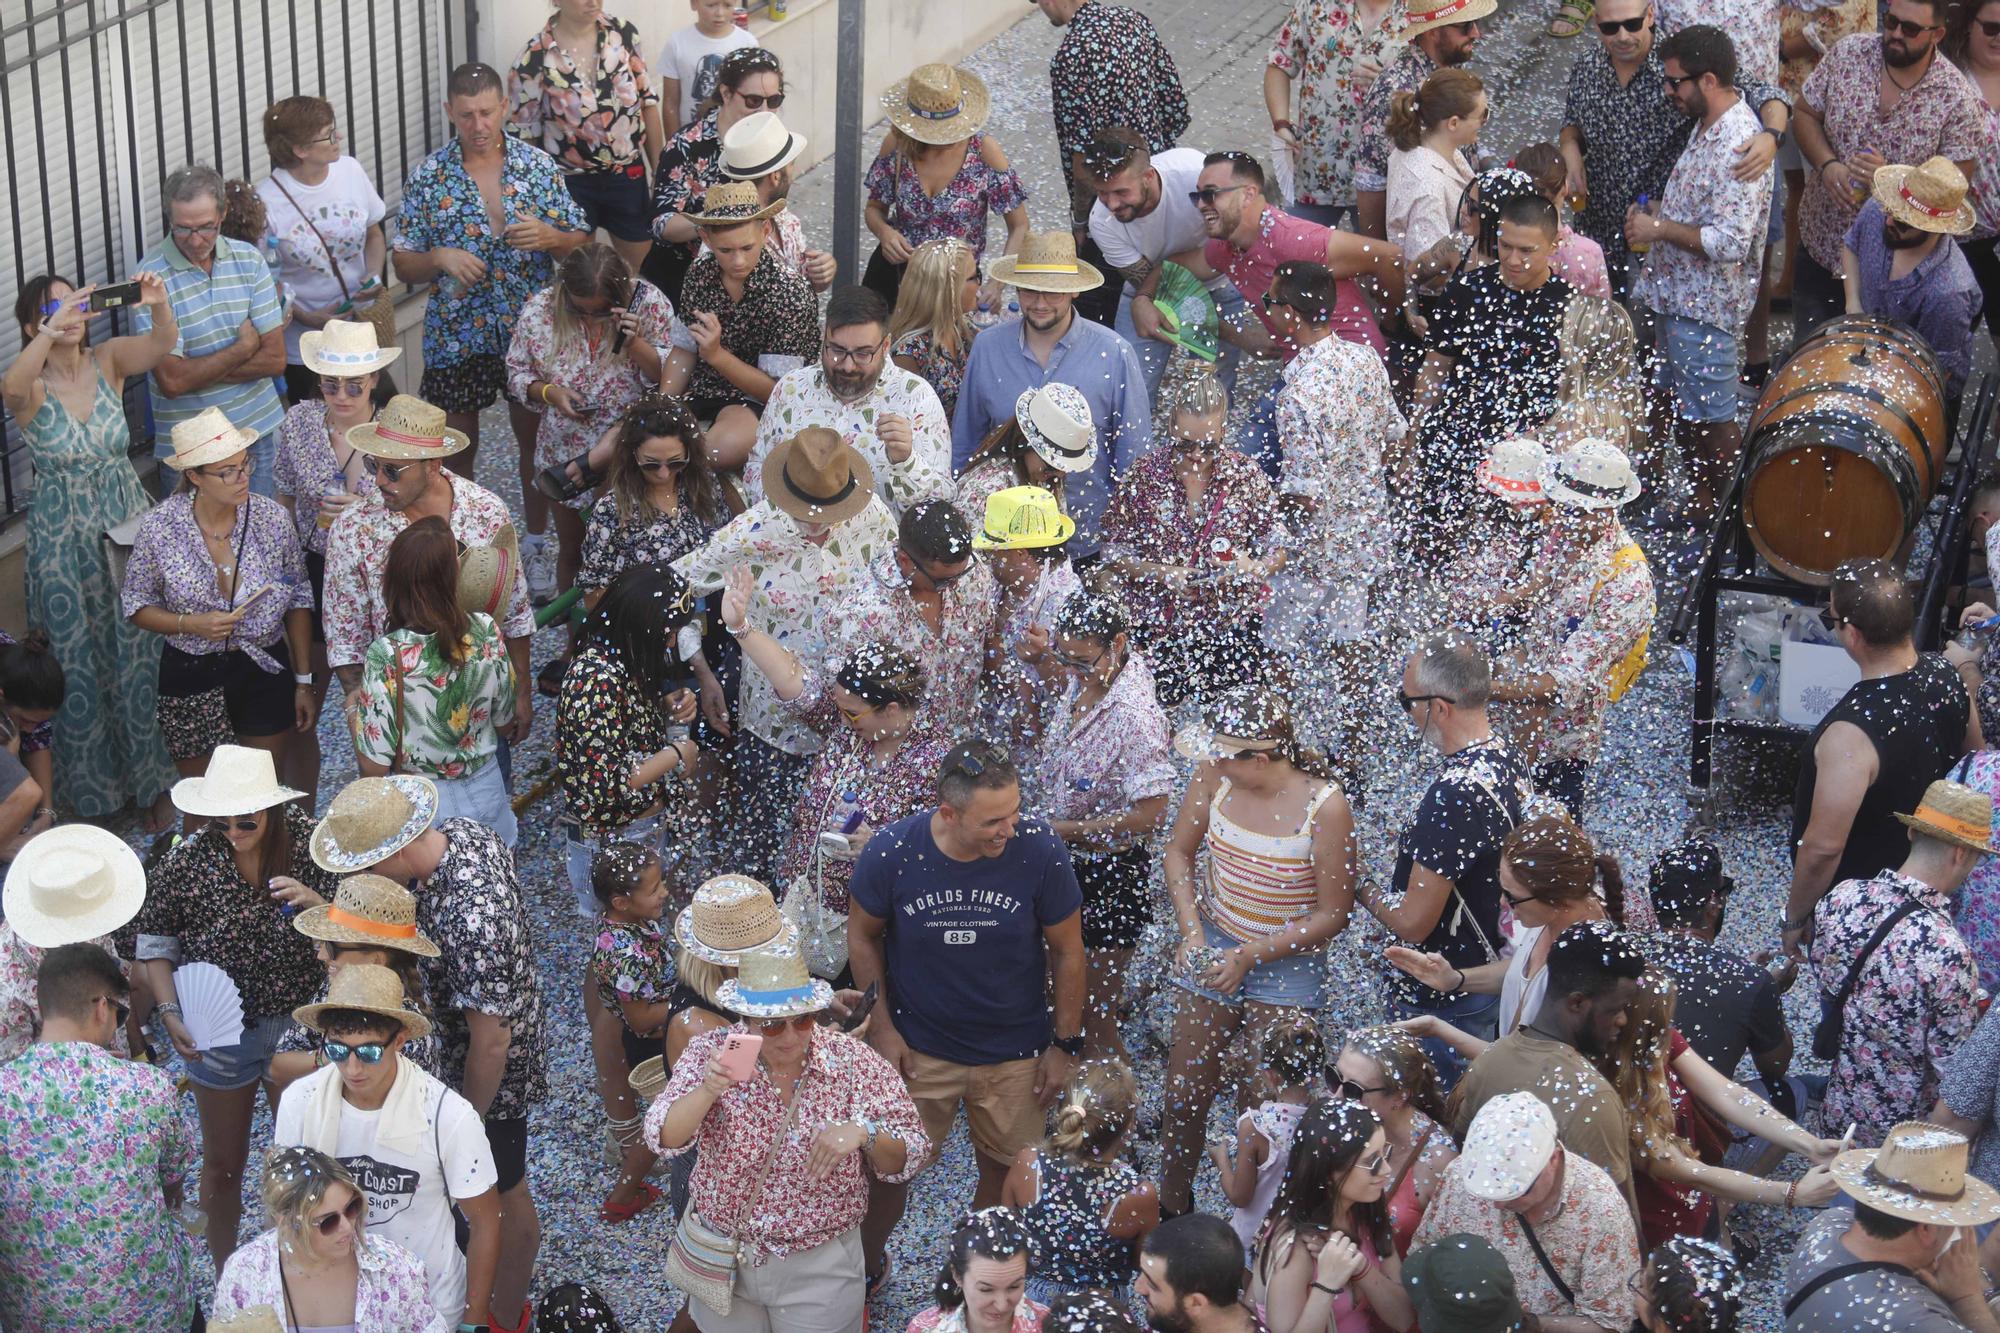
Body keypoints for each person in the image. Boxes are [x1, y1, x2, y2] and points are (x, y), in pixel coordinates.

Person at [310, 775, 547, 1333]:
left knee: (502, 1195)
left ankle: (504, 1315)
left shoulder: (473, 915)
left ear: (395, 850)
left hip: (491, 1078)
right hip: (464, 1049)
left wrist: (462, 1123)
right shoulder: (465, 833)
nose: (357, 879)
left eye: (362, 868)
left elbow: (491, 1042)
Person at [848, 740, 1086, 1285]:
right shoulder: (891, 851)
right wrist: (882, 1030)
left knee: (1005, 1172)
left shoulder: (1039, 848)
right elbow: (861, 938)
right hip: (918, 1049)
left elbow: (1069, 950)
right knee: (888, 1171)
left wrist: (1065, 1044)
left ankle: (971, 1280)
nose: (1011, 828)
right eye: (994, 821)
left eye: (1015, 812)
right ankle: (863, 1270)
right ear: (948, 813)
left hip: (1016, 1051)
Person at [649, 942, 928, 1333]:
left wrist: (865, 1132)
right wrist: (708, 1090)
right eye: (773, 1024)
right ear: (744, 1018)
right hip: (727, 1257)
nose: (791, 1037)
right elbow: (662, 1135)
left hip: (820, 1264)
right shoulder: (714, 1053)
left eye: (803, 1020)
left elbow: (912, 1151)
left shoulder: (850, 1061)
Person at [1157, 684, 1357, 1215]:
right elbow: (1177, 851)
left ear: (1262, 759)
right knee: (1182, 1095)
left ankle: (1254, 1228)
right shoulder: (1212, 776)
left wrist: (1251, 956)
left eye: (1224, 755)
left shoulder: (1326, 807)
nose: (1213, 762)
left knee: (1264, 1106)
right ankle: (1170, 1213)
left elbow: (1333, 914)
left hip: (1287, 965)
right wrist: (1192, 933)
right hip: (1217, 937)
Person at [134, 744, 331, 1266]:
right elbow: (155, 941)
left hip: (295, 1023)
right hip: (219, 1032)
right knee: (221, 1165)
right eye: (221, 822)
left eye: (244, 821)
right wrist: (170, 1012)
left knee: (302, 1163)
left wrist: (317, 904)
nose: (232, 832)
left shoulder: (312, 845)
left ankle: (301, 1271)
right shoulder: (189, 858)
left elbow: (355, 928)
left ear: (272, 809)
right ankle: (227, 1279)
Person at [674, 428, 899, 879]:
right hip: (773, 728)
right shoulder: (750, 532)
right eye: (807, 514)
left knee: (840, 858)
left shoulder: (873, 517)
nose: (818, 524)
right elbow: (672, 598)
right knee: (762, 852)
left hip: (851, 727)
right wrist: (701, 672)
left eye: (830, 512)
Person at [2, 273, 178, 821]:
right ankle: (95, 798)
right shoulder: (32, 388)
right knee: (76, 664)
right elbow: (10, 387)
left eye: (77, 299)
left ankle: (154, 788)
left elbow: (161, 344)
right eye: (55, 307)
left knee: (139, 657)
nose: (73, 311)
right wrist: (50, 332)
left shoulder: (108, 360)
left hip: (125, 530)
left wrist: (159, 303)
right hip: (63, 545)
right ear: (33, 323)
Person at [393, 59, 590, 526]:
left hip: (530, 330)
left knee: (535, 442)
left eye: (486, 112)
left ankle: (538, 544)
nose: (478, 125)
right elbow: (402, 261)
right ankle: (470, 546)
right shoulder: (429, 178)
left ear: (504, 107)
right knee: (454, 451)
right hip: (457, 334)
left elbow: (580, 241)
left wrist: (551, 238)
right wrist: (439, 258)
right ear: (449, 112)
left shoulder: (537, 166)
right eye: (466, 115)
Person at [721, 572, 952, 953]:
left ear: (892, 709)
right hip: (802, 902)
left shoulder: (935, 761)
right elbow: (792, 678)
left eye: (853, 713)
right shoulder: (847, 727)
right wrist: (741, 627)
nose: (842, 719)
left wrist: (882, 844)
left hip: (869, 926)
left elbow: (946, 845)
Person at [272, 966, 500, 1328]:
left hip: (426, 1306)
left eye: (368, 1052)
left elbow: (486, 1220)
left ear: (400, 1040)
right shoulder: (301, 1101)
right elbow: (284, 1209)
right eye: (336, 1050)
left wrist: (474, 1321)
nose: (351, 1067)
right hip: (333, 1304)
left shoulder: (448, 1117)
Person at [1783, 558, 1976, 962]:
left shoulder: (1850, 735)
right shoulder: (1946, 673)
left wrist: (1795, 917)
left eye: (1830, 617)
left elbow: (1822, 848)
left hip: (1863, 908)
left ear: (1852, 634)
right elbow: (1973, 762)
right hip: (1928, 881)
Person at [0, 941, 195, 1332]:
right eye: (121, 1015)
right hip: (151, 1311)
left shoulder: (5, 1094)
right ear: (102, 1007)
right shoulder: (148, 1087)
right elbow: (172, 1184)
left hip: (38, 1317)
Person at [323, 393, 536, 749]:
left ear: (433, 465)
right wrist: (364, 724)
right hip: (399, 724)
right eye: (374, 464)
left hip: (482, 714)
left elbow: (514, 613)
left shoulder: (486, 511)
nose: (376, 481)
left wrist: (522, 692)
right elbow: (346, 639)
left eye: (391, 470)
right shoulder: (353, 529)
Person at [120, 407, 314, 792]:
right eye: (228, 471)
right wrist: (189, 624)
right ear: (194, 476)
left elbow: (298, 597)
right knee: (203, 797)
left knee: (263, 793)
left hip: (263, 666)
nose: (243, 478)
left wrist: (304, 680)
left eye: (245, 464)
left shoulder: (272, 520)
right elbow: (136, 604)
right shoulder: (160, 528)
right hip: (189, 671)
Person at [1365, 639, 1533, 1086]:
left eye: (1408, 702)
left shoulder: (1455, 793)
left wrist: (1357, 880)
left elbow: (1414, 923)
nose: (1408, 714)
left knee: (1434, 1118)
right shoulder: (1507, 754)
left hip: (1439, 992)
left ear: (1439, 707)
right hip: (1484, 972)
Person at [1625, 26, 1775, 522]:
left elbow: (1730, 242)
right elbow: (1705, 211)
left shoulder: (1739, 143)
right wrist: (1657, 217)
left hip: (1706, 307)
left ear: (1708, 80)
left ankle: (1742, 517)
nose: (1668, 92)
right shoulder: (1707, 123)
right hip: (1676, 298)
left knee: (1713, 418)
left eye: (1675, 83)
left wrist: (1660, 227)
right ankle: (1703, 504)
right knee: (1687, 412)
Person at [1017, 588, 1173, 1060]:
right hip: (1064, 861)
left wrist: (1069, 830)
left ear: (1119, 643)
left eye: (1082, 662)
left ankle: (1111, 1118)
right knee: (1053, 995)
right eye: (1065, 658)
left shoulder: (1136, 718)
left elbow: (1153, 814)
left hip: (1111, 873)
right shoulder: (1089, 674)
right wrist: (1047, 662)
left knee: (1095, 1014)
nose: (1072, 673)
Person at [1260, 260, 1407, 760]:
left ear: (1291, 316)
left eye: (1270, 303)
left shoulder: (1297, 393)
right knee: (1351, 639)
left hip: (1317, 543)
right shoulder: (1365, 360)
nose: (1267, 311)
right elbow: (1394, 435)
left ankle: (1276, 741)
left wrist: (1272, 530)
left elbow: (1304, 490)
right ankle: (1356, 746)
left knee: (1277, 638)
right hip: (1363, 529)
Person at [507, 241, 692, 637]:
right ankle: (575, 649)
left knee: (620, 553)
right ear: (562, 293)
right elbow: (517, 372)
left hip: (627, 447)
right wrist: (550, 393)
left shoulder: (652, 304)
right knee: (573, 550)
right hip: (564, 445)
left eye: (600, 311)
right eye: (578, 309)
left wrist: (636, 343)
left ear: (621, 295)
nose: (590, 320)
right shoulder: (540, 309)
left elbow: (671, 379)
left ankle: (620, 647)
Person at [1583, 966, 1840, 1249]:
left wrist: (1810, 1145)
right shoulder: (1609, 1094)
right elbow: (1689, 1172)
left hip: (1695, 1208)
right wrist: (1793, 1193)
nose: (1670, 1027)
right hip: (1660, 1236)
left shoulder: (1657, 1040)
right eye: (1661, 1021)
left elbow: (1726, 1093)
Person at [1191, 151, 1400, 476]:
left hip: (1347, 372)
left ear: (1248, 194)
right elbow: (1175, 269)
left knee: (1256, 474)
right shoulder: (1222, 249)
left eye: (1210, 194)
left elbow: (1388, 257)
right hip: (1300, 374)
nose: (1201, 203)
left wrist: (1392, 324)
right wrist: (1145, 295)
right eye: (1197, 195)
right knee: (1249, 473)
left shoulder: (1294, 239)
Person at [1791, 0, 1985, 345]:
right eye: (1891, 21)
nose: (1895, 34)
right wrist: (1827, 164)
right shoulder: (1848, 53)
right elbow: (1805, 113)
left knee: (1877, 386)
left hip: (1895, 274)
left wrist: (1892, 183)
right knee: (1812, 366)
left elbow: (1954, 188)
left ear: (1937, 34)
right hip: (1822, 244)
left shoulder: (1957, 99)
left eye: (1909, 29)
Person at [950, 230, 1152, 559]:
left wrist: (1126, 548)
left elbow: (1134, 462)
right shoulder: (987, 347)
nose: (1040, 303)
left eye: (1052, 293)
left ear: (1074, 292)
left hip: (1088, 539)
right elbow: (965, 448)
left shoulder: (1115, 353)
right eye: (1030, 290)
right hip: (1005, 545)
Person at [1812, 778, 1988, 1145]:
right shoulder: (1947, 952)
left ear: (1912, 834)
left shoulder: (1842, 898)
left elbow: (1828, 985)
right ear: (1960, 854)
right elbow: (1952, 1072)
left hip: (1840, 1111)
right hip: (1900, 1138)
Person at [1488, 443, 1656, 818]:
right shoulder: (1563, 530)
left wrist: (1483, 690)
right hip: (1511, 727)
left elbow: (1563, 683)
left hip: (1558, 746)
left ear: (1610, 509)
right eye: (1562, 506)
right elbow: (1539, 607)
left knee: (1545, 859)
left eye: (1580, 512)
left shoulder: (1626, 581)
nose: (1566, 520)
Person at [1100, 375, 1286, 708]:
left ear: (1225, 432)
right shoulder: (1144, 475)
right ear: (1170, 426)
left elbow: (1279, 548)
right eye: (1185, 444)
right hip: (1159, 629)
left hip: (1230, 628)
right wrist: (1162, 572)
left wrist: (1252, 567)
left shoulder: (1245, 476)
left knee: (1225, 732)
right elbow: (1113, 552)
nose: (1197, 455)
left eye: (1210, 445)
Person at [1402, 192, 1572, 550]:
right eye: (1505, 246)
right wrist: (1414, 439)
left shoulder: (1568, 305)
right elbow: (1435, 367)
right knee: (1440, 551)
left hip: (1525, 457)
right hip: (1456, 442)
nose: (1513, 259)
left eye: (1527, 251)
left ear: (1553, 245)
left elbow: (1571, 390)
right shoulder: (1467, 290)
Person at [272, 318, 394, 796]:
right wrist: (285, 570)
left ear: (373, 383)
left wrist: (364, 510)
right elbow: (283, 495)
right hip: (314, 567)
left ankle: (381, 807)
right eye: (330, 385)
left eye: (353, 386)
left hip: (376, 577)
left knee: (375, 705)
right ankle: (299, 818)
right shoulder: (299, 423)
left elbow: (420, 515)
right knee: (303, 705)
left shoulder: (393, 434)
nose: (341, 396)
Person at [1447, 921, 1645, 1214]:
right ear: (1577, 1002)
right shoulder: (1592, 1099)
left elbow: (1464, 1159)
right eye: (1615, 1010)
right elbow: (1616, 1223)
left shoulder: (1491, 1060)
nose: (1622, 1021)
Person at [1390, 814, 1624, 1049]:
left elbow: (1518, 1064)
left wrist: (1436, 1028)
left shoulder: (1583, 972)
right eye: (1500, 886)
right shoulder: (1554, 914)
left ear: (1557, 899)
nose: (1502, 902)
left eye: (1512, 896)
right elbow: (1521, 972)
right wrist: (1455, 979)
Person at [1413, 1092, 1642, 1331]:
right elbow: (1425, 1255)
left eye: (1517, 1191)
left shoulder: (1601, 1209)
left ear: (1552, 1159)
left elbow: (1609, 1323)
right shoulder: (1461, 1176)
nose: (1498, 1205)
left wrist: (1526, 1325)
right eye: (1488, 1193)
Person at [349, 517, 518, 841]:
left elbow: (374, 767)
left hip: (423, 807)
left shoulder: (387, 654)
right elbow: (505, 720)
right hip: (487, 790)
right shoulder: (484, 630)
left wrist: (351, 711)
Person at [555, 563, 705, 914]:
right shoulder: (593, 681)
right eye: (667, 633)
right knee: (618, 940)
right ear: (642, 625)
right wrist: (679, 751)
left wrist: (663, 706)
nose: (671, 642)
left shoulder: (622, 656)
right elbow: (610, 782)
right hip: (615, 839)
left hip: (640, 828)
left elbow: (620, 728)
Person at [134, 162, 287, 497]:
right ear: (169, 219)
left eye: (207, 227)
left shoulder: (248, 260)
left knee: (263, 543)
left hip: (257, 436)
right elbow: (172, 382)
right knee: (196, 548)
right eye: (183, 229)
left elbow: (275, 359)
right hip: (191, 453)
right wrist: (243, 349)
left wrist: (197, 371)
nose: (196, 240)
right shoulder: (150, 279)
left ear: (223, 214)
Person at [1038, 0, 1191, 330]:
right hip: (1156, 182)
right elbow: (1176, 107)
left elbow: (1081, 158)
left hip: (1111, 200)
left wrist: (1080, 220)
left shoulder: (1071, 56)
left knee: (1098, 300)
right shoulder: (1133, 20)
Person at [746, 286, 955, 515]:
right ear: (823, 336)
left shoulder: (916, 398)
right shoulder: (791, 389)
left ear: (885, 346)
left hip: (878, 547)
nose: (847, 365)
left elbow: (940, 505)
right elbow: (757, 468)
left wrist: (906, 461)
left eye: (863, 354)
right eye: (836, 350)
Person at [1783, 1121, 2000, 1332]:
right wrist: (1968, 1297)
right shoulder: (1918, 1320)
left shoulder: (1828, 1221)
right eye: (1953, 1223)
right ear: (1927, 1229)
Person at [212, 1145, 450, 1331]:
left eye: (352, 1208)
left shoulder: (395, 1269)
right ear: (284, 1220)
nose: (347, 1227)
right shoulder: (245, 1274)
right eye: (328, 1221)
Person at [1078, 126, 1241, 396]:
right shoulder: (1101, 221)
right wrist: (1242, 337)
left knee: (1211, 393)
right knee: (1130, 386)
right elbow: (1160, 288)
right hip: (1155, 288)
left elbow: (1238, 237)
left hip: (1219, 279)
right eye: (1102, 193)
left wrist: (1224, 335)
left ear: (1148, 176)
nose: (1112, 204)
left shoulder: (1194, 176)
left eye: (1121, 192)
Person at [505, 0, 663, 274]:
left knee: (647, 272)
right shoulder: (532, 59)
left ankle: (641, 317)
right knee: (584, 277)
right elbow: (524, 139)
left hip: (627, 174)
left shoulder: (623, 33)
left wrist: (660, 174)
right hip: (571, 184)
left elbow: (647, 103)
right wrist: (536, 199)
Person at [677, 180, 823, 471]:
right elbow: (682, 349)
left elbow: (777, 391)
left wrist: (717, 356)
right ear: (705, 239)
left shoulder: (789, 293)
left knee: (704, 456)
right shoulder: (699, 273)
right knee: (640, 435)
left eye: (747, 247)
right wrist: (665, 403)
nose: (738, 260)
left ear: (765, 230)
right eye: (725, 250)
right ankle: (581, 470)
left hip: (754, 399)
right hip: (702, 390)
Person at [257, 96, 392, 405]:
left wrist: (372, 275)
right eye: (329, 135)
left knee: (381, 419)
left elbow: (374, 233)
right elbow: (263, 283)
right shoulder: (267, 203)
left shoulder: (350, 170)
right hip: (306, 348)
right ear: (301, 150)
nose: (338, 139)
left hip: (359, 332)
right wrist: (306, 316)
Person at [824, 499, 996, 737]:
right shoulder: (863, 616)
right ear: (905, 561)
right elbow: (851, 704)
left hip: (966, 735)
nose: (956, 584)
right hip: (906, 756)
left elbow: (987, 640)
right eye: (942, 581)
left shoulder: (972, 576)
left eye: (962, 573)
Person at [862, 63, 1028, 307]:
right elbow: (874, 209)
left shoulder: (983, 151)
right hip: (897, 277)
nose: (948, 138)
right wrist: (885, 232)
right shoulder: (896, 146)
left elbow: (1020, 226)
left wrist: (997, 282)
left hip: (957, 285)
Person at [1641, 842, 1797, 1099]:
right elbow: (1775, 1067)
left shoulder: (1625, 956)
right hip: (1697, 1124)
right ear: (1713, 904)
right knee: (1794, 1092)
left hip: (1628, 1112)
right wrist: (1768, 990)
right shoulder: (1752, 981)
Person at [1247, 1099, 1414, 1333]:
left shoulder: (1368, 1209)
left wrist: (1359, 1267)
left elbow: (1404, 1319)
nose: (1386, 1170)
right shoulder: (1296, 1247)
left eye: (1385, 1153)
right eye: (1372, 1162)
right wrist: (1327, 1284)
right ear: (1328, 1172)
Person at [1003, 1059, 1159, 1304]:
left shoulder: (1029, 1163)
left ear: (1063, 1112)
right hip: (1103, 1309)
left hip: (1034, 1301)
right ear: (1128, 1128)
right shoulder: (1137, 1194)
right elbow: (1144, 1263)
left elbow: (1008, 1236)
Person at [273, 873, 442, 1090]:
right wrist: (328, 1056)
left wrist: (329, 1055)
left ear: (377, 959)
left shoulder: (404, 1025)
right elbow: (277, 1066)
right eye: (322, 943)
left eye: (332, 947)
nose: (321, 955)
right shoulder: (339, 984)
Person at [647, 44, 788, 303]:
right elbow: (662, 224)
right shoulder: (686, 145)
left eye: (774, 101)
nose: (765, 112)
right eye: (754, 101)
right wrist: (718, 218)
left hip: (749, 280)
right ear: (725, 93)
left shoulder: (774, 141)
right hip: (687, 281)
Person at [584, 843, 675, 1222]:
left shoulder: (623, 923)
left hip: (654, 1028)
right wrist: (688, 1003)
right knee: (663, 1121)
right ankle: (623, 1193)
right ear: (621, 902)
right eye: (654, 890)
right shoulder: (624, 955)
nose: (665, 893)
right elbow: (640, 1021)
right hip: (650, 1043)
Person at [1840, 156, 1982, 396]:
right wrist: (1852, 302)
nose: (1888, 221)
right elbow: (1851, 246)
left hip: (1919, 384)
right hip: (1867, 351)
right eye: (1890, 211)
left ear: (1934, 229)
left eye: (1903, 222)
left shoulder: (1949, 292)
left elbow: (1935, 374)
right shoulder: (1879, 210)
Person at [1353, 0, 1492, 240]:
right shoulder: (1394, 90)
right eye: (1465, 26)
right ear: (1433, 31)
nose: (1476, 33)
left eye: (1476, 23)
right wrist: (1377, 264)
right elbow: (1371, 183)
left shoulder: (1451, 68)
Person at [1266, 0, 1405, 230]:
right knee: (1297, 255)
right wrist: (1281, 124)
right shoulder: (1317, 5)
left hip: (1386, 175)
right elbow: (1279, 64)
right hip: (1318, 168)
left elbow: (1441, 89)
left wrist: (1396, 88)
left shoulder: (1420, 11)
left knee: (1377, 262)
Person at [577, 394, 726, 606]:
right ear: (633, 456)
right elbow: (593, 596)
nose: (664, 474)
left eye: (676, 463)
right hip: (647, 629)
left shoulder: (705, 486)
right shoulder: (611, 510)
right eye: (651, 464)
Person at [1336, 1026, 1459, 1256]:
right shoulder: (1343, 1124)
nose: (1336, 1097)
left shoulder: (1437, 1162)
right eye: (1334, 1077)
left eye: (1353, 1090)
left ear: (1400, 1095)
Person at [977, 485, 1085, 741]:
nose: (988, 559)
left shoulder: (1067, 603)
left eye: (993, 552)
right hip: (996, 727)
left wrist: (1043, 658)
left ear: (1020, 553)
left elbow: (1076, 693)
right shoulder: (1004, 582)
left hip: (1040, 743)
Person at [1211, 1023, 1322, 1261]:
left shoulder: (1255, 1126)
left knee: (1250, 1296)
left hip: (1253, 1239)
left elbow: (1240, 1196)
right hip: (1297, 1243)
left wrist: (1221, 1160)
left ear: (1270, 1074)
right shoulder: (1324, 1120)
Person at [953, 382, 1098, 532]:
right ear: (1025, 442)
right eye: (1053, 465)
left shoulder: (1043, 478)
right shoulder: (985, 492)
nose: (1060, 474)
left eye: (1065, 468)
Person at [714, 111, 835, 290]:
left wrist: (822, 274)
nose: (793, 174)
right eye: (791, 165)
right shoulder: (726, 237)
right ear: (776, 177)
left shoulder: (786, 220)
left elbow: (805, 288)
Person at [1385, 68, 1485, 269]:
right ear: (1453, 123)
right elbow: (1427, 269)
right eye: (1483, 115)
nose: (1484, 122)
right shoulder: (1428, 187)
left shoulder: (1433, 146)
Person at [906, 1207, 1047, 1333]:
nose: (1002, 1305)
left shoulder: (1052, 1325)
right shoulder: (924, 1329)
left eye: (1014, 1287)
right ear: (957, 1276)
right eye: (986, 1289)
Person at [1948, 0, 2000, 341]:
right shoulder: (1946, 77)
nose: (1999, 38)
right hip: (1955, 240)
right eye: (1992, 28)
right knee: (1948, 348)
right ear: (1969, 23)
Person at [1136, 1213, 1272, 1333]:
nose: (1138, 1287)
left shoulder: (1174, 1317)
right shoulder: (1179, 1318)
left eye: (1152, 1285)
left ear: (1196, 1303)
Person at [890, 239, 980, 419]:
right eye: (974, 276)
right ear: (950, 289)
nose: (979, 283)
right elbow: (904, 420)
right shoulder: (909, 353)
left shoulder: (964, 327)